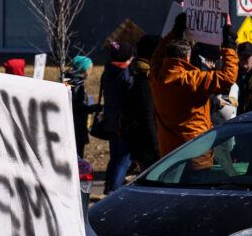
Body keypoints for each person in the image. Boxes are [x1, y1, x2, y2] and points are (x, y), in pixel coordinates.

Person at [149, 13, 238, 164]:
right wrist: (229, 44)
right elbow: (228, 77)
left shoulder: (157, 76)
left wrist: (175, 32)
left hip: (168, 153)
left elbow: (156, 56)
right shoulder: (191, 80)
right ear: (186, 58)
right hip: (196, 151)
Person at [123, 34, 160, 180]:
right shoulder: (145, 81)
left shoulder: (139, 74)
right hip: (150, 149)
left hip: (145, 146)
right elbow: (148, 117)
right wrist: (157, 150)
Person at [100, 41, 134, 193]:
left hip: (110, 119)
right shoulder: (124, 74)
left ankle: (108, 185)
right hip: (122, 121)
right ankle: (114, 188)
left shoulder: (109, 70)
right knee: (124, 158)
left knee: (114, 156)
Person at [64, 55, 101, 157]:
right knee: (77, 154)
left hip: (76, 124)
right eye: (89, 68)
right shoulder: (75, 83)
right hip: (76, 125)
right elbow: (74, 105)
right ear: (83, 69)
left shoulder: (71, 80)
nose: (90, 71)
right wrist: (90, 108)